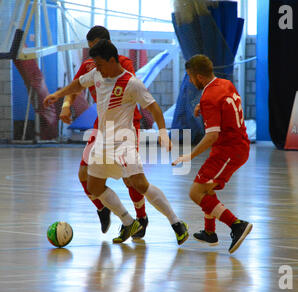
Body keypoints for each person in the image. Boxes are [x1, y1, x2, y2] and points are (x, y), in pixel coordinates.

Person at [44, 40, 189, 245]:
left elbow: (154, 108)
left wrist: (163, 133)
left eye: (101, 64)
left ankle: (176, 223)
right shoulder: (96, 74)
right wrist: (58, 95)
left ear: (112, 60)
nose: (98, 69)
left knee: (139, 184)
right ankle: (129, 221)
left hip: (123, 142)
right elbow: (78, 84)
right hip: (103, 141)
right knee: (94, 186)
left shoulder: (131, 83)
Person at [59, 26, 149, 238]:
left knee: (130, 179)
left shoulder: (123, 64)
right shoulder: (89, 65)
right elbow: (74, 87)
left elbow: (131, 90)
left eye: (96, 50)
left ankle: (141, 218)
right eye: (90, 49)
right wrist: (65, 106)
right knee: (83, 175)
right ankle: (102, 207)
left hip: (126, 126)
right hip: (102, 127)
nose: (93, 59)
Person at [172, 54, 252, 254]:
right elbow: (224, 105)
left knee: (195, 192)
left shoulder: (208, 96)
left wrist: (189, 155)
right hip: (235, 147)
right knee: (207, 186)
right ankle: (209, 232)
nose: (190, 81)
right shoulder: (224, 84)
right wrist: (204, 107)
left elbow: (212, 136)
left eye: (190, 77)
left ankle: (236, 225)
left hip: (229, 150)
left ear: (198, 77)